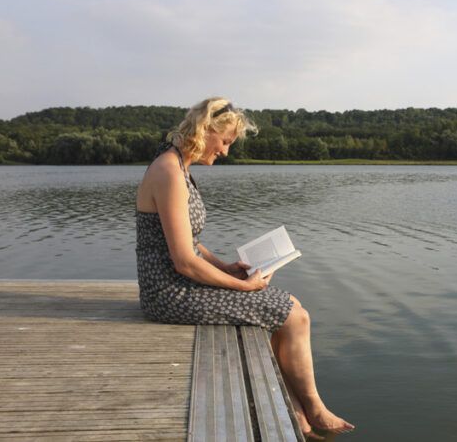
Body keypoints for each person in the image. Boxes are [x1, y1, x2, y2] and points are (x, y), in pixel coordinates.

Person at [135, 97, 353, 438]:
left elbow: (188, 242)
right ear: (205, 130)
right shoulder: (169, 172)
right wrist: (243, 285)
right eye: (225, 142)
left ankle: (298, 413)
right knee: (295, 315)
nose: (225, 152)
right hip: (168, 293)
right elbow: (182, 260)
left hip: (175, 283)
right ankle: (313, 408)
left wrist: (225, 267)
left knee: (291, 309)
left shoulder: (178, 167)